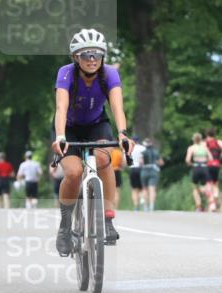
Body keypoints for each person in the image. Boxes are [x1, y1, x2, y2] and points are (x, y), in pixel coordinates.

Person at [51, 28, 132, 256]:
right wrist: (60, 137)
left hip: (97, 124)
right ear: (76, 57)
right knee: (74, 172)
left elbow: (117, 107)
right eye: (86, 55)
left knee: (104, 158)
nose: (92, 59)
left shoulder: (109, 74)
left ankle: (107, 220)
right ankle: (65, 226)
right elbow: (61, 107)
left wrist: (123, 134)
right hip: (68, 127)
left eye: (97, 54)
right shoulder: (66, 74)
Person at [204, 128, 222, 212]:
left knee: (209, 184)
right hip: (217, 164)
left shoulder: (206, 143)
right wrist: (221, 155)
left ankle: (212, 204)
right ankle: (216, 195)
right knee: (215, 184)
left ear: (207, 135)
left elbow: (203, 150)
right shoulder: (218, 142)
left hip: (209, 165)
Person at [185, 133, 210, 212]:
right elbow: (210, 157)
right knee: (204, 186)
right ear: (201, 139)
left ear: (193, 140)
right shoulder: (205, 147)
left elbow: (187, 160)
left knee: (195, 187)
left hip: (196, 167)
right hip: (204, 167)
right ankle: (210, 201)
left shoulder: (191, 148)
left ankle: (198, 206)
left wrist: (191, 164)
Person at [140, 137, 163, 212]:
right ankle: (151, 206)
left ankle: (145, 207)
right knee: (152, 189)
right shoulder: (156, 152)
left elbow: (141, 162)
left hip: (145, 171)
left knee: (145, 189)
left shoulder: (143, 152)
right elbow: (161, 162)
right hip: (153, 171)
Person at [129, 136, 146, 211]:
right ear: (138, 141)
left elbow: (125, 160)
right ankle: (142, 200)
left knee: (134, 189)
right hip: (141, 169)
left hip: (133, 168)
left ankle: (136, 206)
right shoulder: (143, 148)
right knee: (142, 188)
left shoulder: (129, 148)